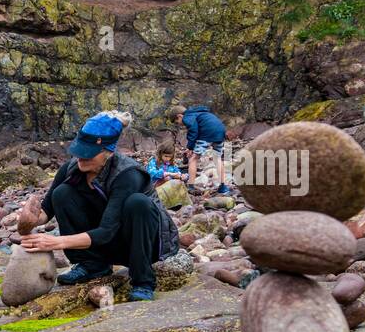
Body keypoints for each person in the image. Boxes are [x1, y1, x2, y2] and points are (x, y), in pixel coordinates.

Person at [19, 112, 180, 302]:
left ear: (108, 152)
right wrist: (29, 219)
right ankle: (93, 265)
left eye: (88, 153)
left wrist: (55, 243)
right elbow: (47, 209)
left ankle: (143, 281)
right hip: (107, 242)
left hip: (145, 244)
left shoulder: (128, 174)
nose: (81, 157)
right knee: (62, 193)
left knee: (138, 203)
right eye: (79, 150)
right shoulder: (72, 168)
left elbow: (106, 231)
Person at [170, 103, 226, 187]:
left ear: (180, 116)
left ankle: (191, 185)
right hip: (220, 131)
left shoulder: (187, 117)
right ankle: (223, 186)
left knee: (193, 159)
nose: (179, 124)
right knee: (217, 158)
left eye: (177, 122)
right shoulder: (198, 113)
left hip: (207, 132)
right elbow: (199, 129)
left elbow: (193, 131)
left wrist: (190, 148)